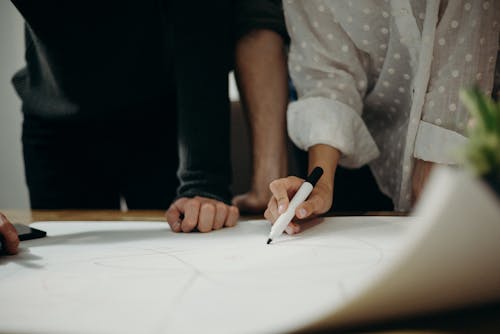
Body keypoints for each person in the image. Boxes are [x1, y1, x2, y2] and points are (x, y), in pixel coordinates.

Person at [8, 1, 288, 233]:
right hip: (55, 123)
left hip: (165, 119)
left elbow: (201, 26)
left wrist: (203, 182)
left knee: (187, 253)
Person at [265, 0, 500, 232]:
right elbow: (328, 79)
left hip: (466, 136)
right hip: (362, 141)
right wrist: (322, 185)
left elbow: (458, 78)